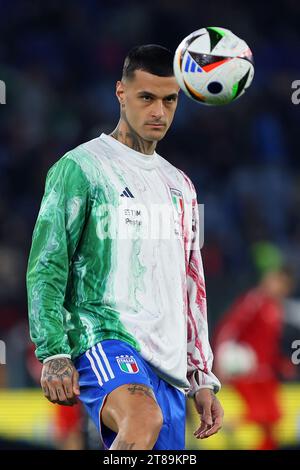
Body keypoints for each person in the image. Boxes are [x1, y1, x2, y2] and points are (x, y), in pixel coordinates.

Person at [26, 44, 223, 450]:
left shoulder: (181, 186)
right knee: (142, 416)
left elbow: (192, 286)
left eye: (170, 100)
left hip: (166, 364)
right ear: (121, 93)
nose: (159, 112)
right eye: (146, 98)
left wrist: (200, 376)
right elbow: (47, 263)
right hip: (104, 335)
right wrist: (53, 351)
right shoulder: (81, 168)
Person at [213, 265, 295, 450]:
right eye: (276, 281)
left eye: (284, 285)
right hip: (248, 371)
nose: (279, 287)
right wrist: (220, 360)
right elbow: (229, 328)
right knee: (263, 414)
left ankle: (236, 427)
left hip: (267, 374)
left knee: (274, 418)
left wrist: (282, 364)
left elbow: (270, 345)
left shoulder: (275, 308)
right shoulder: (254, 300)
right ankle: (228, 424)